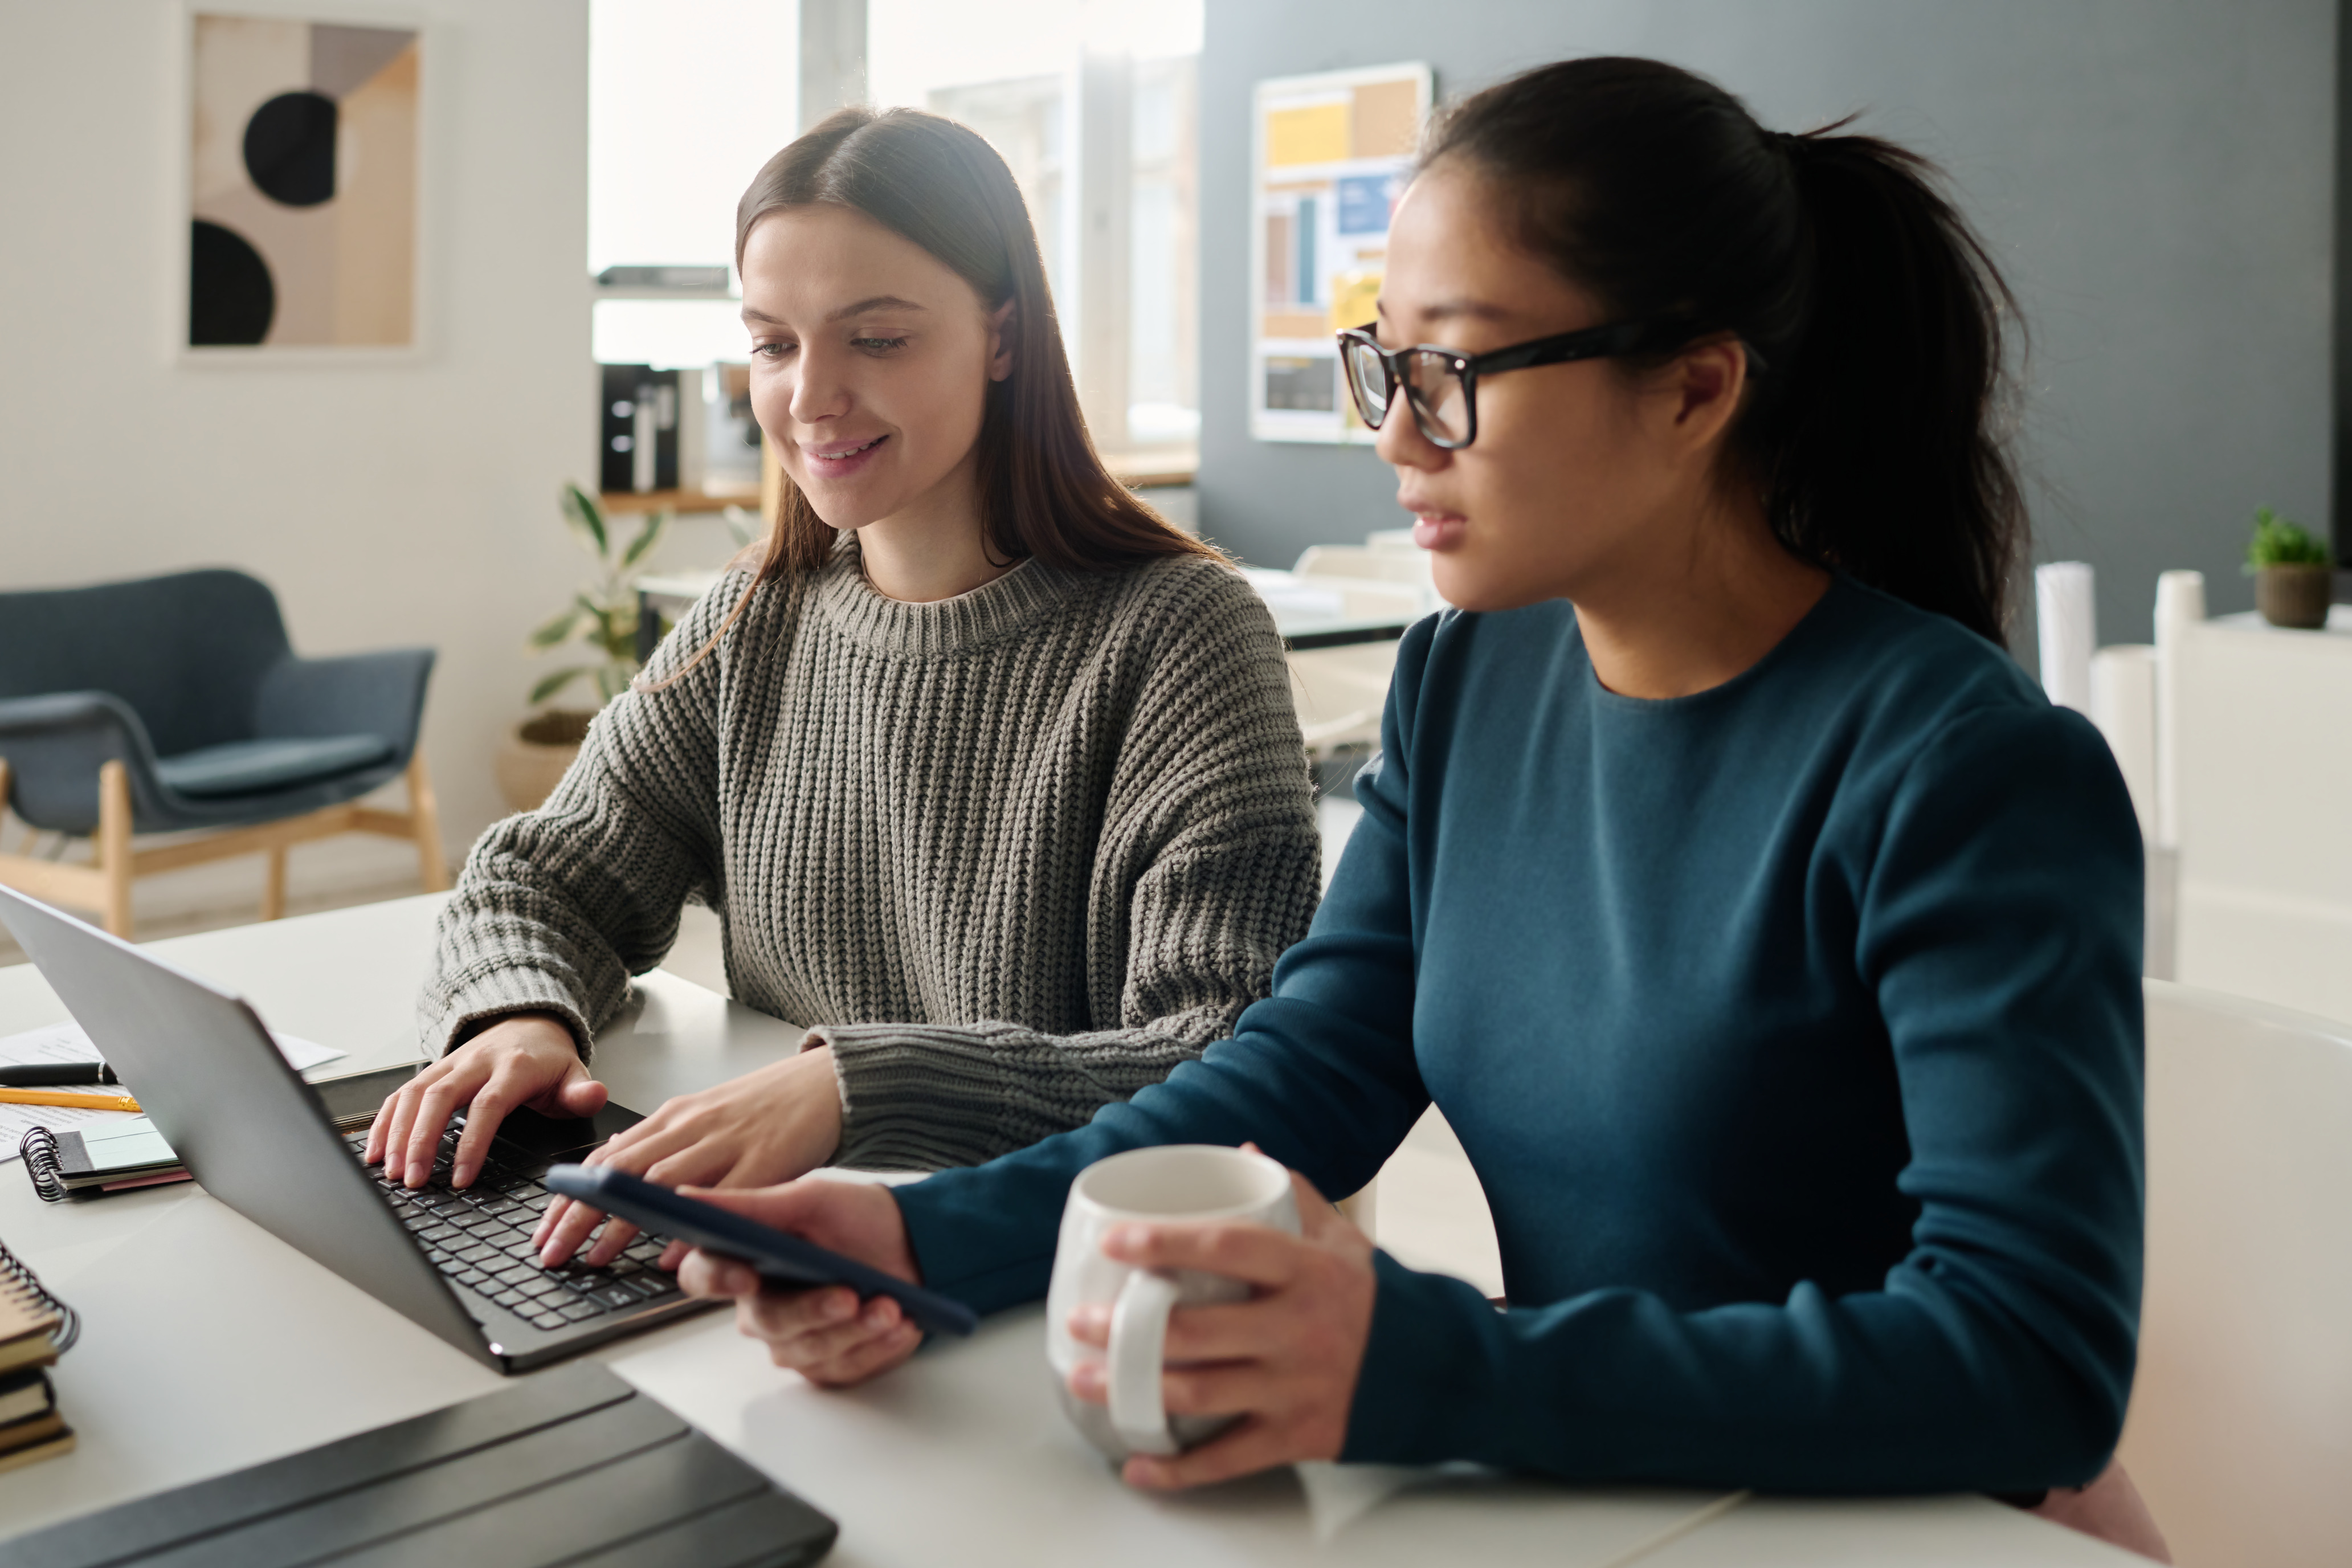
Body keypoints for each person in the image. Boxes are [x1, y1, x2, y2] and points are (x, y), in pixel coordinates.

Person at [656, 58, 2170, 1554]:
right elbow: (1304, 1073)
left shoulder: (1970, 772)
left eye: (1455, 373)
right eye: (1388, 363)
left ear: (1698, 388)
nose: (1394, 436)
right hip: (1603, 1494)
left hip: (1918, 1527)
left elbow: (2030, 1361)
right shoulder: (1469, 678)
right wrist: (924, 1234)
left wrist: (1427, 1361)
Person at [365, 107, 1323, 1273]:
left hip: (1039, 1269)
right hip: (768, 1250)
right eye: (774, 343)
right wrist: (520, 1012)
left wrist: (851, 1086)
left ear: (1004, 336)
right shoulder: (753, 620)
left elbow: (1227, 1058)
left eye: (877, 339)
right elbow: (536, 878)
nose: (810, 397)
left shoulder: (1182, 635)